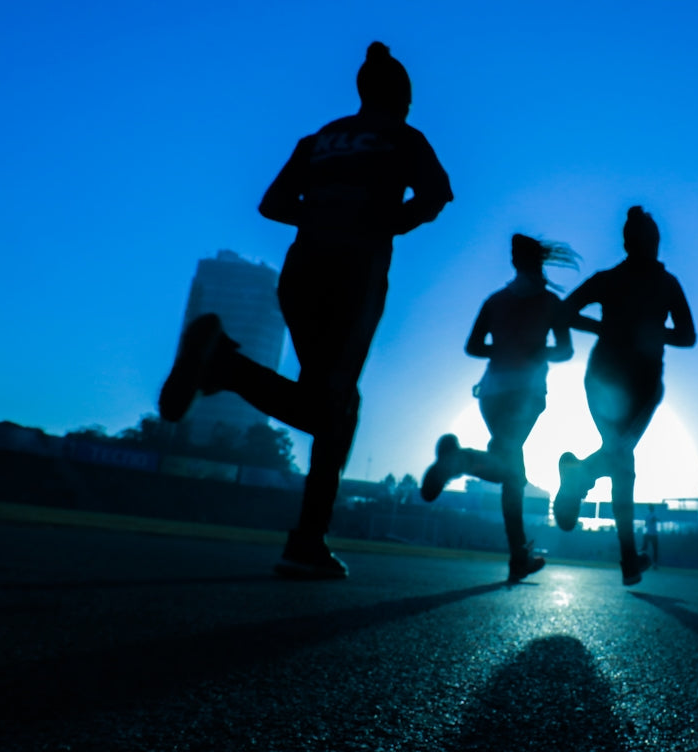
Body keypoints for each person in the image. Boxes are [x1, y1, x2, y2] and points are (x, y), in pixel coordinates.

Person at [158, 42, 453, 579]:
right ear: (403, 97)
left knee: (334, 401)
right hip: (354, 273)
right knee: (333, 406)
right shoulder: (403, 138)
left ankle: (307, 538)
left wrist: (320, 215)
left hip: (302, 272)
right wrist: (383, 221)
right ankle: (226, 370)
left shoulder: (319, 140)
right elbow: (437, 196)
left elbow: (271, 204)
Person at [552, 206, 697, 586]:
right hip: (630, 386)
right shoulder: (661, 284)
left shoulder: (617, 280)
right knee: (621, 459)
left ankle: (579, 480)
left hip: (619, 384)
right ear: (648, 243)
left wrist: (614, 328)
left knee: (620, 459)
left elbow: (564, 313)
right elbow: (686, 336)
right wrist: (639, 331)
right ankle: (627, 558)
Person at [419, 235, 577, 582]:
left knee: (512, 473)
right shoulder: (551, 303)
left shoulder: (496, 301)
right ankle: (460, 461)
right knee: (512, 474)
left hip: (491, 394)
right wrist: (535, 352)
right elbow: (566, 352)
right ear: (540, 262)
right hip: (526, 395)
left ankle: (518, 555)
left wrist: (504, 349)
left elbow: (473, 346)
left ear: (514, 263)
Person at [642, 504, 660, 569]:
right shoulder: (654, 515)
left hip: (648, 534)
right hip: (654, 534)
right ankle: (654, 564)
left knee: (645, 548)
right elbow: (657, 520)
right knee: (655, 550)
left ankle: (643, 562)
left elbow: (646, 525)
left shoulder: (647, 516)